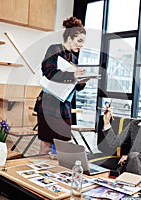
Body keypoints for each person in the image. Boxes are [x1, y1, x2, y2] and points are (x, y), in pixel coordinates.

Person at [35, 17, 87, 154]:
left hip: (64, 106)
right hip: (49, 105)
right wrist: (72, 75)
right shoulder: (54, 49)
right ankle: (40, 172)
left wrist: (81, 81)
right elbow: (49, 72)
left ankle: (55, 174)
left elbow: (74, 85)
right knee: (46, 144)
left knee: (62, 145)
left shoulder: (74, 58)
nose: (81, 45)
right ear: (69, 38)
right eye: (79, 41)